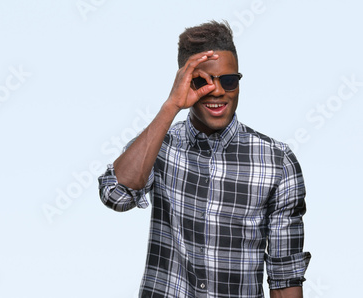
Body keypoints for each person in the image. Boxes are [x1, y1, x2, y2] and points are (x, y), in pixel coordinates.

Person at [97, 21, 311, 298]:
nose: (217, 91)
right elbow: (116, 196)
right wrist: (171, 105)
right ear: (183, 82)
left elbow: (285, 273)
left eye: (228, 80)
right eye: (201, 82)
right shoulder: (159, 145)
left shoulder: (277, 162)